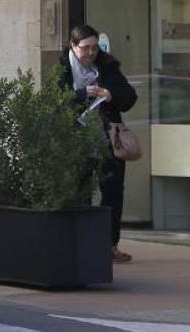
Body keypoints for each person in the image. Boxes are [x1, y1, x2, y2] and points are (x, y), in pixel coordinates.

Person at [57, 25, 138, 263]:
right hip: (76, 139)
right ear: (73, 46)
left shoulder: (106, 65)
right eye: (85, 48)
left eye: (95, 47)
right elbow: (55, 101)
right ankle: (79, 244)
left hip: (107, 138)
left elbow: (129, 97)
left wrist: (110, 94)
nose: (91, 53)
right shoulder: (62, 69)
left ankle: (110, 244)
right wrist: (82, 95)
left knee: (112, 191)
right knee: (79, 191)